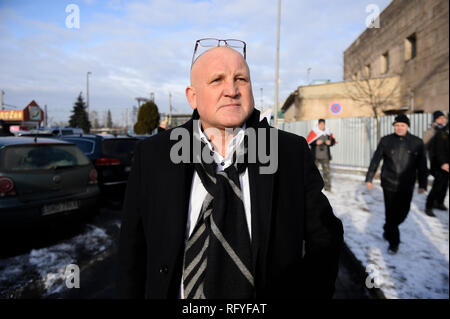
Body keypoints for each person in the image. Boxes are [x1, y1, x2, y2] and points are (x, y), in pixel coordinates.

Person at [117, 39, 343, 299]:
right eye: (217, 80)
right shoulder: (154, 156)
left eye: (241, 79)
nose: (232, 90)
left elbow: (325, 236)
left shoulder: (288, 152)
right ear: (193, 96)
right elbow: (131, 250)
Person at [365, 114, 427, 254]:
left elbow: (422, 165)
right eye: (397, 125)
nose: (399, 128)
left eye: (402, 125)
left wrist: (423, 183)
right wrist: (369, 178)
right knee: (391, 214)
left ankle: (388, 228)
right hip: (389, 183)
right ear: (394, 126)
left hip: (407, 184)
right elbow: (376, 159)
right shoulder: (386, 140)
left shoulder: (417, 142)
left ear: (407, 127)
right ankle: (394, 243)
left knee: (403, 213)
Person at [425, 111, 449, 216]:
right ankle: (429, 206)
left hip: (446, 161)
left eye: (444, 118)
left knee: (445, 184)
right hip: (437, 162)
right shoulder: (434, 131)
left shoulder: (445, 130)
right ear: (435, 119)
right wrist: (443, 163)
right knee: (438, 185)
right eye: (440, 118)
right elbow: (436, 149)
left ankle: (439, 202)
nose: (442, 120)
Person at [306, 119, 336, 192]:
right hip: (315, 157)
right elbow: (308, 141)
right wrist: (316, 142)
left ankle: (328, 188)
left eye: (323, 124)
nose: (322, 126)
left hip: (325, 156)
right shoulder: (314, 132)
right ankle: (312, 188)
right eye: (321, 124)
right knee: (313, 173)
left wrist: (330, 142)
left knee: (327, 172)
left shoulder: (327, 132)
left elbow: (333, 141)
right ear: (318, 125)